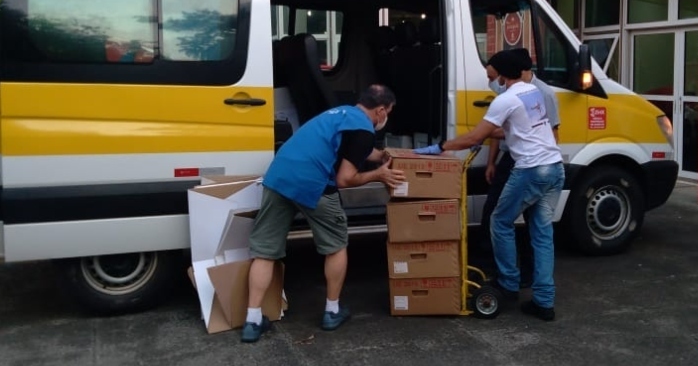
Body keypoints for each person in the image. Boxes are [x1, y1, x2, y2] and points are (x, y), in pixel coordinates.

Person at [242, 84, 406, 343]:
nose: (387, 118)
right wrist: (379, 174)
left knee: (265, 251)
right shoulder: (363, 129)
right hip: (313, 184)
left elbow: (358, 149)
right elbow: (345, 179)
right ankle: (332, 311)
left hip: (278, 178)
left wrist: (383, 156)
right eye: (389, 112)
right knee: (336, 245)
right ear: (381, 110)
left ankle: (251, 321)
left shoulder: (339, 114)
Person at [414, 49, 564, 321]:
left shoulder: (505, 99)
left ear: (503, 75)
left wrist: (439, 147)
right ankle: (544, 302)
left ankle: (508, 283)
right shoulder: (532, 94)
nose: (491, 80)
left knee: (499, 221)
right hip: (554, 168)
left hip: (530, 170)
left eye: (493, 75)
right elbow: (513, 129)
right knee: (542, 234)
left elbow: (474, 136)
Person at [480, 48, 560, 289]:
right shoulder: (510, 91)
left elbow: (552, 133)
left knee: (515, 221)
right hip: (515, 158)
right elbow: (500, 128)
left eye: (494, 77)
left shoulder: (542, 93)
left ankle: (515, 280)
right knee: (497, 215)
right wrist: (492, 161)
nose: (494, 82)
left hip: (529, 163)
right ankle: (533, 291)